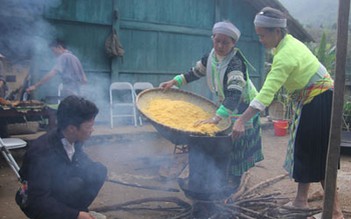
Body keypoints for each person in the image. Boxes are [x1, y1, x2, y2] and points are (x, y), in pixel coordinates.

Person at [231, 7, 344, 219]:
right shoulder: (286, 44)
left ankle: (335, 212)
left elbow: (266, 94)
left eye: (262, 35)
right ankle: (301, 201)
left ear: (277, 32)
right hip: (313, 100)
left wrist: (241, 120)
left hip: (320, 101)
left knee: (320, 156)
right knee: (304, 150)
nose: (260, 40)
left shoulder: (285, 54)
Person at [160, 21, 264, 186]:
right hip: (228, 104)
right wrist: (175, 81)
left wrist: (216, 118)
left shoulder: (235, 63)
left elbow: (235, 93)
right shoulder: (211, 56)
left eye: (226, 42)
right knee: (224, 141)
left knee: (237, 143)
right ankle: (220, 174)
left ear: (233, 43)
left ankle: (233, 182)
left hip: (244, 106)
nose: (221, 46)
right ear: (213, 38)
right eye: (217, 41)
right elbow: (196, 72)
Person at [16, 95, 107, 219]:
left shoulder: (74, 139)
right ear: (71, 128)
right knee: (73, 183)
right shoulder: (42, 152)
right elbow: (37, 200)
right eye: (88, 127)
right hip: (33, 201)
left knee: (98, 171)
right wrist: (75, 215)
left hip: (57, 186)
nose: (92, 130)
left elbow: (82, 162)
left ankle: (74, 210)